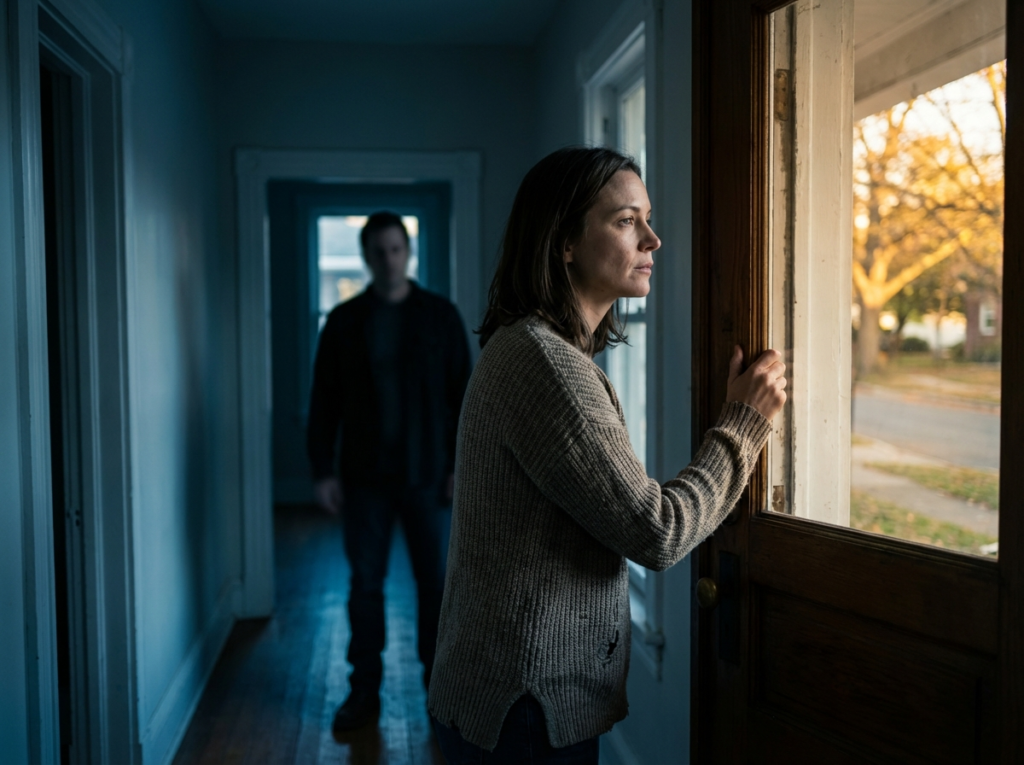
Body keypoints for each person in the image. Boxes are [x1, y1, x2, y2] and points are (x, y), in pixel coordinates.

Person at [427, 148, 786, 763]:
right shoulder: (546, 364)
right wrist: (744, 423)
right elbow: (657, 531)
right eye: (626, 221)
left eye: (646, 218)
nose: (653, 238)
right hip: (521, 711)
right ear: (564, 241)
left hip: (513, 699)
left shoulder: (542, 352)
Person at [307, 211, 472, 732]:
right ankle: (363, 695)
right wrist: (321, 471)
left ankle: (441, 697)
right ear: (366, 257)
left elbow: (464, 401)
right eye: (378, 251)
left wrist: (456, 468)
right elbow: (323, 402)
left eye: (396, 249)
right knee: (365, 586)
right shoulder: (344, 322)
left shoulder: (440, 317)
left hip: (428, 478)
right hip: (364, 478)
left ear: (409, 253)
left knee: (436, 588)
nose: (388, 259)